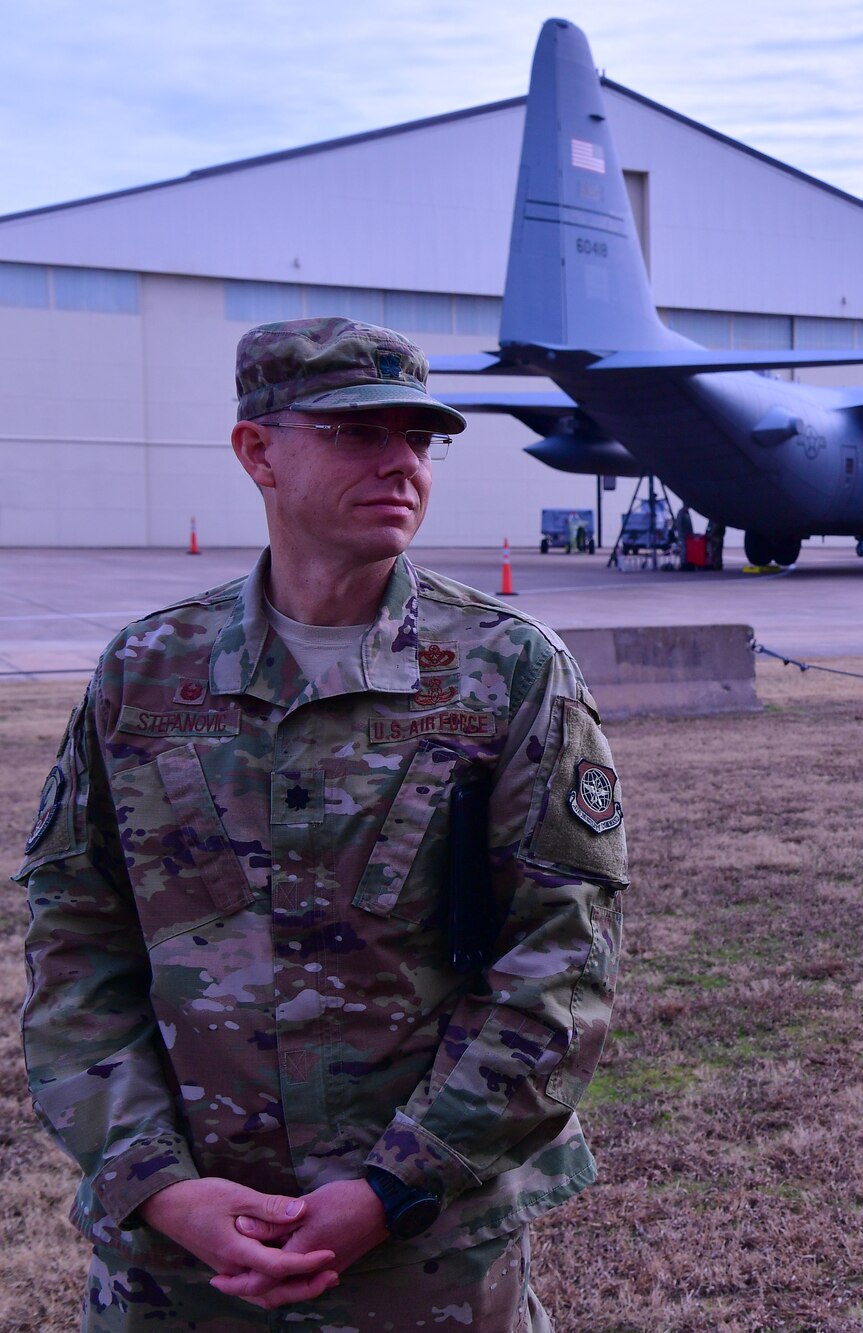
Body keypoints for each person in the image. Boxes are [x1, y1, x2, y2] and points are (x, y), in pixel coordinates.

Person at [19, 317, 629, 1330]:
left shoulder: (506, 672)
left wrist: (389, 1190)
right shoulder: (147, 673)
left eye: (419, 439)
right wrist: (161, 1186)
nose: (401, 462)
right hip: (178, 1271)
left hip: (421, 1260)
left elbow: (559, 970)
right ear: (257, 450)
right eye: (356, 432)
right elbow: (74, 952)